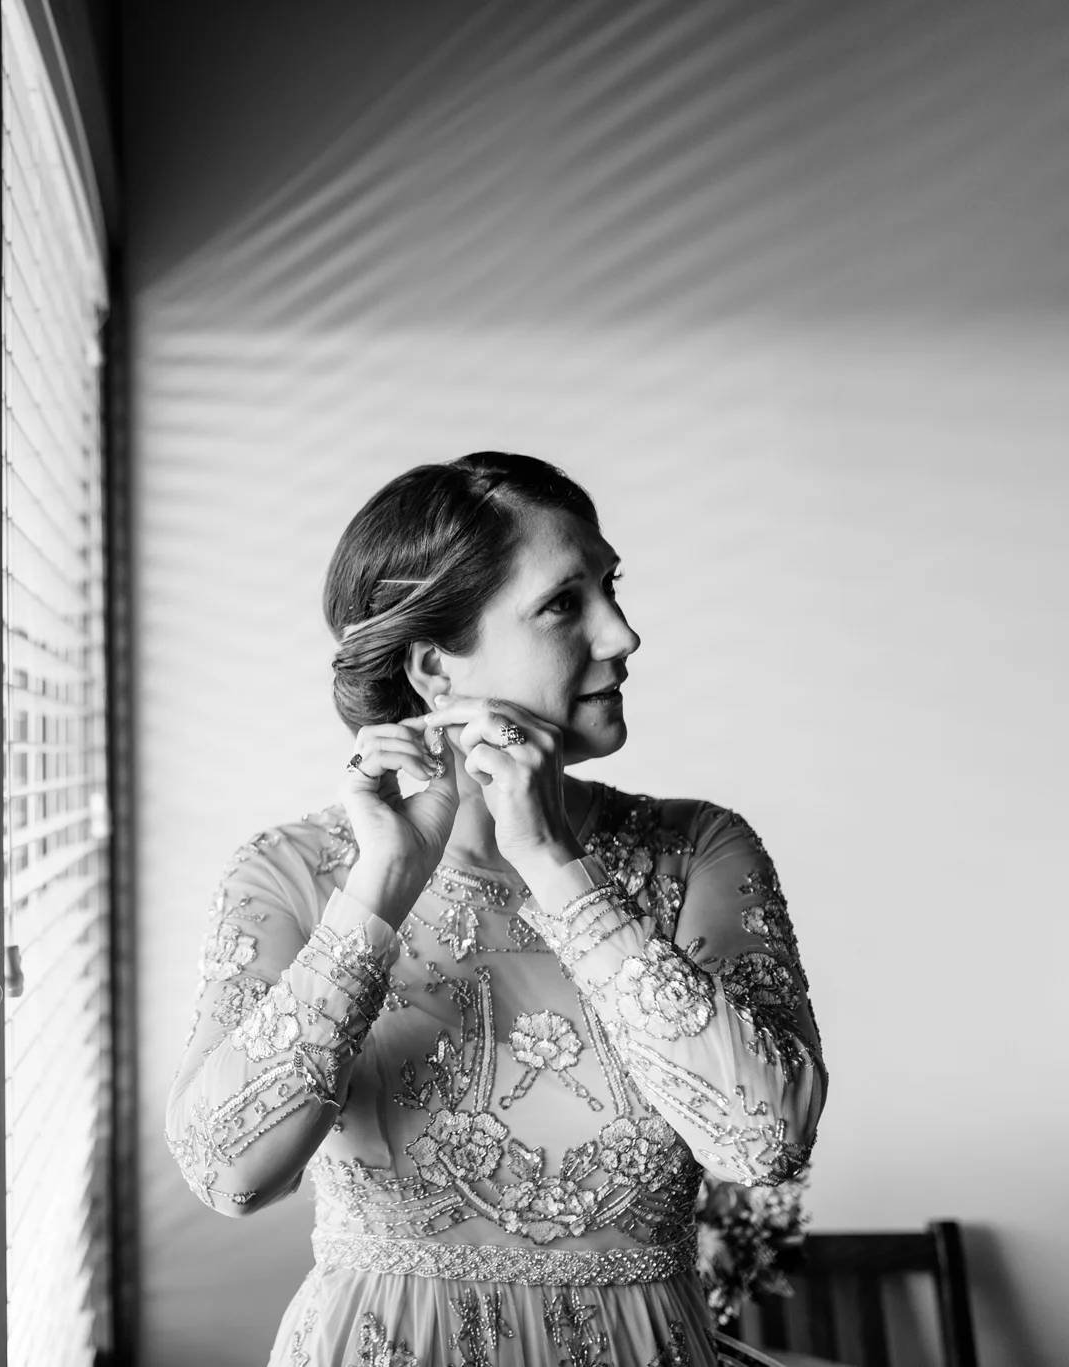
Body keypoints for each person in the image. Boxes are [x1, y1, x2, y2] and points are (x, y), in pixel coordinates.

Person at [167, 453, 826, 1366]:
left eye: (611, 588)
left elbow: (763, 1142)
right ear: (435, 666)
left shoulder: (699, 849)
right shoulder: (291, 873)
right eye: (563, 603)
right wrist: (379, 889)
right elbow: (227, 1172)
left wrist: (555, 863)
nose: (623, 633)